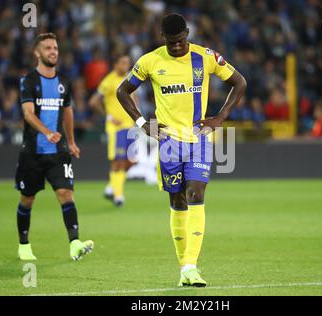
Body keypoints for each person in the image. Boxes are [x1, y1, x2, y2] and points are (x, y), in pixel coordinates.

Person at [117, 13, 246, 287]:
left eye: (181, 40)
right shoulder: (150, 61)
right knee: (177, 201)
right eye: (171, 42)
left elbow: (239, 82)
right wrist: (141, 122)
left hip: (198, 138)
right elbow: (122, 91)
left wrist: (221, 117)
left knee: (195, 193)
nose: (177, 47)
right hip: (169, 143)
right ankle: (184, 268)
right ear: (162, 38)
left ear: (187, 33)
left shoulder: (206, 57)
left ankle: (191, 266)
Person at [15, 33, 93, 261]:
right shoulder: (28, 81)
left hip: (58, 152)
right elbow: (28, 114)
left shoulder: (64, 81)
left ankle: (75, 243)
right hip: (32, 152)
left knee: (66, 194)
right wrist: (47, 131)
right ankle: (24, 244)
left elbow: (68, 111)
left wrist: (70, 141)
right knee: (27, 199)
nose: (53, 52)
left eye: (56, 48)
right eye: (48, 48)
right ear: (37, 53)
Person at [88, 55, 136, 207]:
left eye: (127, 63)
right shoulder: (109, 81)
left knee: (131, 161)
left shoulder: (130, 80)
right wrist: (108, 116)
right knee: (118, 161)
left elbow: (133, 100)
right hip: (116, 128)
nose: (125, 66)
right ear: (115, 64)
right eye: (123, 62)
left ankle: (111, 187)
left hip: (130, 126)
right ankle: (118, 195)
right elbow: (93, 101)